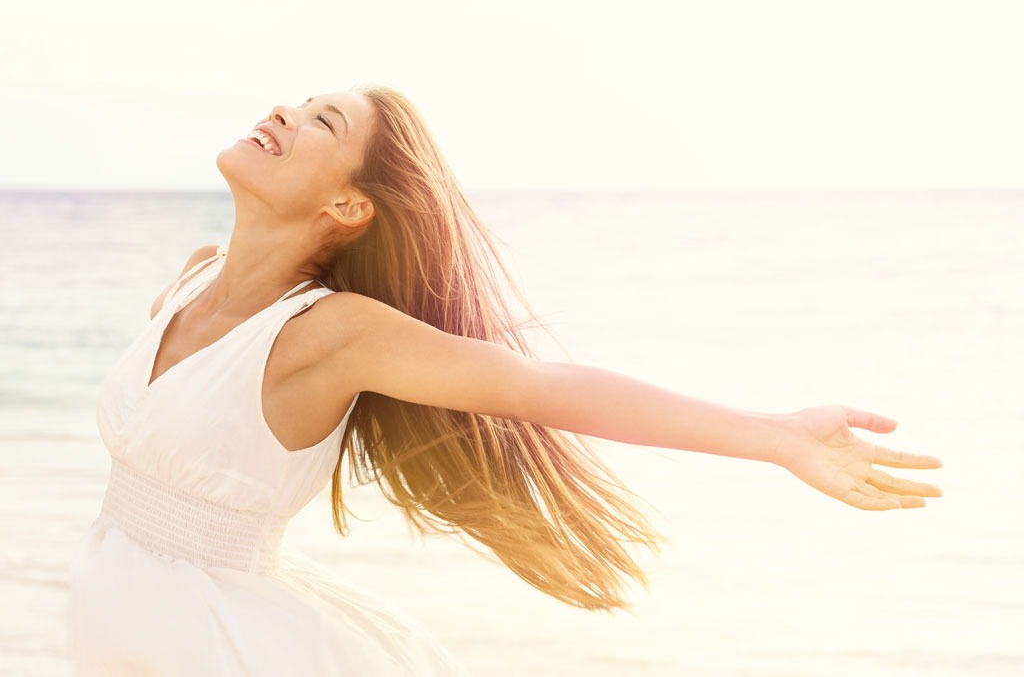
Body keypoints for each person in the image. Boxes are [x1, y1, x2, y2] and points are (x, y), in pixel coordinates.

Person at [68, 86, 943, 675]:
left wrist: (777, 435)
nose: (283, 112)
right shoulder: (187, 278)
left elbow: (546, 387)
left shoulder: (329, 334)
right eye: (298, 103)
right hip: (125, 637)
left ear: (348, 207)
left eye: (320, 124)